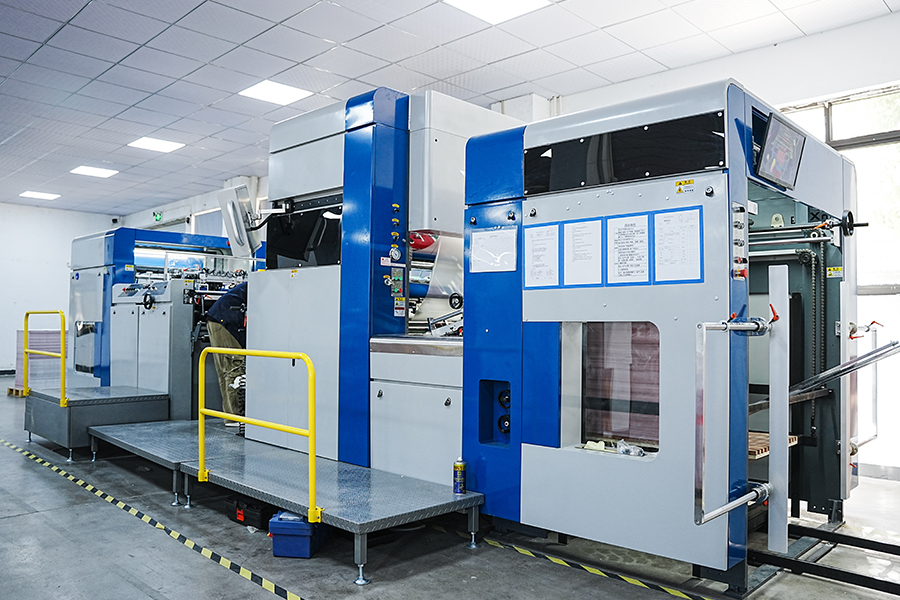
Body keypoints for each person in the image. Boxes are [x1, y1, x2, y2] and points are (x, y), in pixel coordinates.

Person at [206, 281, 248, 426]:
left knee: (225, 370)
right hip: (225, 322)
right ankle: (234, 417)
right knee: (234, 367)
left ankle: (230, 415)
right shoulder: (263, 286)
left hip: (218, 320)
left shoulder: (255, 285)